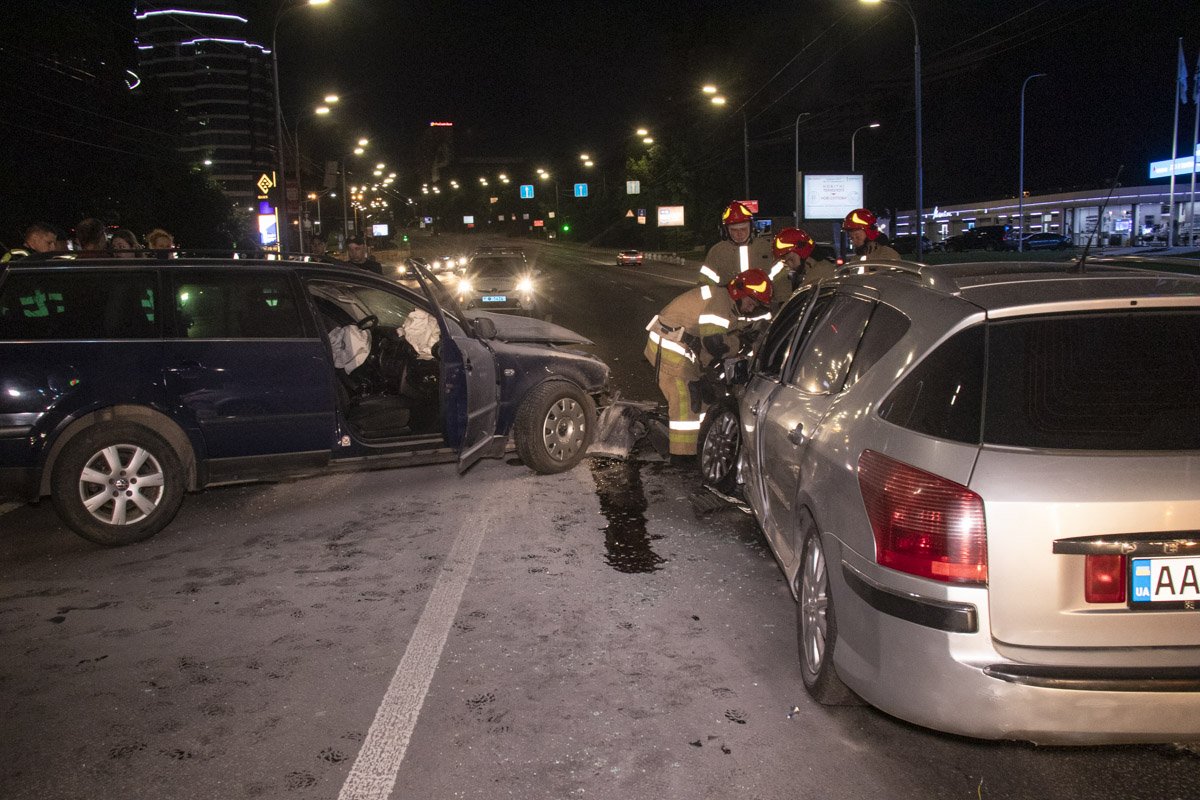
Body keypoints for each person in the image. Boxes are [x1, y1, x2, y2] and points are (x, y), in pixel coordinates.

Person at [645, 268, 773, 462]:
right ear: (739, 293)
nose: (750, 308)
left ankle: (696, 446)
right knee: (686, 398)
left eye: (754, 305)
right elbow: (715, 344)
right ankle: (682, 456)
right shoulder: (720, 302)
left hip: (682, 348)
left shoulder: (727, 302)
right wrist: (742, 343)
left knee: (704, 398)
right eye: (750, 302)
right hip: (670, 347)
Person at [697, 201, 775, 286]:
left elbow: (780, 279)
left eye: (743, 229)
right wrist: (709, 298)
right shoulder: (717, 252)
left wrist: (781, 299)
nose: (739, 234)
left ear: (751, 227)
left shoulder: (766, 248)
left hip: (762, 298)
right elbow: (704, 283)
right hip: (727, 298)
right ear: (726, 231)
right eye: (734, 230)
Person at [770, 227, 837, 302]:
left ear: (802, 252)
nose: (789, 265)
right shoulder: (814, 268)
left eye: (790, 259)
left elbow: (796, 305)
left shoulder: (820, 273)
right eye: (784, 261)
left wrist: (780, 287)